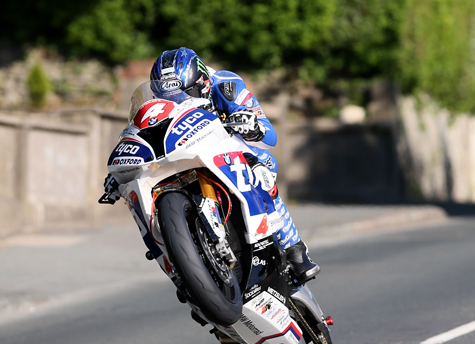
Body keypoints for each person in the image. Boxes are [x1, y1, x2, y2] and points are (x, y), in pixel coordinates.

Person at [105, 47, 319, 283]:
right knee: (139, 200)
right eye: (169, 96)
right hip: (183, 157)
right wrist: (125, 168)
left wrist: (253, 126)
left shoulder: (227, 85)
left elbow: (270, 136)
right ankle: (183, 275)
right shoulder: (156, 103)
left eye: (185, 93)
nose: (178, 101)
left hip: (228, 150)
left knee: (262, 164)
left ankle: (294, 249)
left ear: (203, 82)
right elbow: (143, 135)